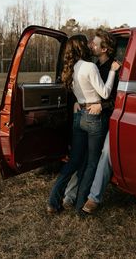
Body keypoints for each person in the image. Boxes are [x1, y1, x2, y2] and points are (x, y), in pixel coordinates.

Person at [47, 34, 120, 214]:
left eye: (93, 42)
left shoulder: (73, 68)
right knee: (92, 163)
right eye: (88, 43)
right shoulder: (91, 66)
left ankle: (53, 201)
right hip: (93, 119)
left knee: (74, 161)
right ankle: (80, 206)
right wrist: (112, 72)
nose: (90, 45)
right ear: (82, 47)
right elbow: (105, 93)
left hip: (79, 116)